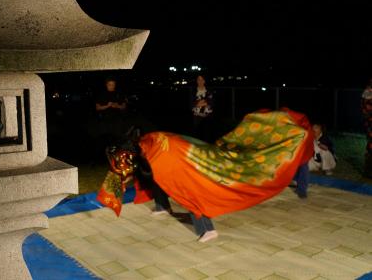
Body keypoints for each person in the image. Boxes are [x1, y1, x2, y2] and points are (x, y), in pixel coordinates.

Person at [97, 108, 314, 244]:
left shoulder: (154, 150)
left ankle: (208, 231)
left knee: (191, 196)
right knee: (160, 181)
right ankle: (164, 206)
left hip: (191, 167)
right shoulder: (146, 143)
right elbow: (143, 169)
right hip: (182, 160)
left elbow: (156, 167)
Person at [93, 77, 128, 155]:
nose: (111, 86)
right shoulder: (101, 94)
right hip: (105, 120)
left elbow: (124, 106)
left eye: (113, 85)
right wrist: (107, 106)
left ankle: (117, 154)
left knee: (118, 137)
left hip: (117, 120)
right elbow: (97, 108)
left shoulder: (119, 93)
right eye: (110, 85)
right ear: (106, 85)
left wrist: (117, 106)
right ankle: (104, 155)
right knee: (105, 138)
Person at [190, 74, 215, 143]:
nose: (200, 81)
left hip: (207, 117)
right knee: (197, 138)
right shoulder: (193, 91)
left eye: (202, 79)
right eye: (198, 79)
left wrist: (202, 103)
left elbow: (212, 103)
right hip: (197, 117)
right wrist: (197, 104)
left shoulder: (209, 90)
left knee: (207, 137)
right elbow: (191, 104)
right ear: (196, 81)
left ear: (204, 81)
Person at [361, 78, 372, 178]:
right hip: (370, 123)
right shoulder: (368, 92)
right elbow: (366, 109)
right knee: (370, 146)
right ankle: (368, 172)